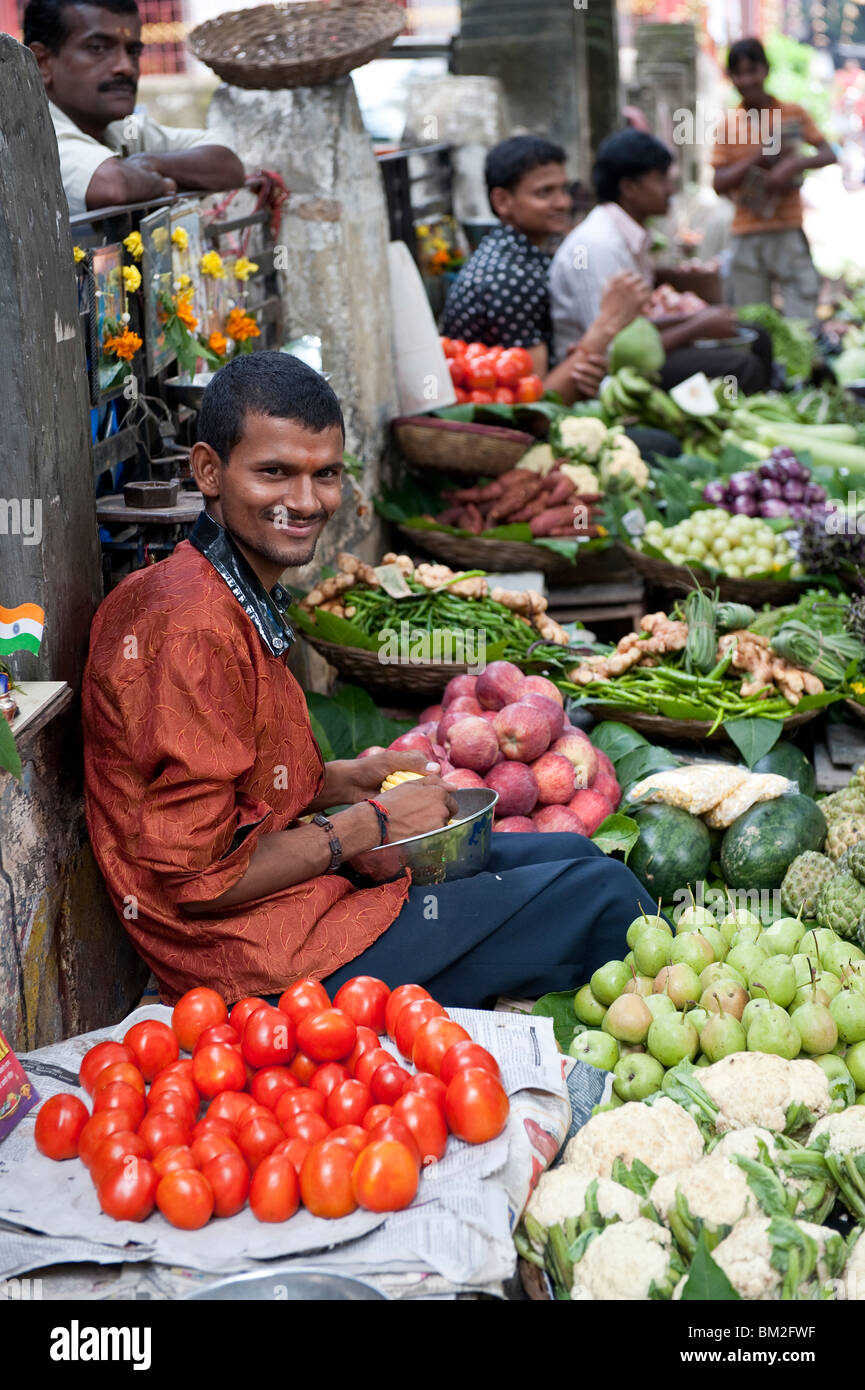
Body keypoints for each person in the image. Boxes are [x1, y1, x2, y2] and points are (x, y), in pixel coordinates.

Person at [82, 352, 662, 1008]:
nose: (303, 502)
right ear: (208, 470)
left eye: (323, 475)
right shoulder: (188, 627)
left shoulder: (221, 585)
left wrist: (341, 781)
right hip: (253, 955)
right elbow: (198, 879)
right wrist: (369, 822)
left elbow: (230, 790)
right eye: (274, 473)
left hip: (296, 896)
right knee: (603, 901)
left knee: (582, 861)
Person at [550, 129, 772, 394]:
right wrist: (696, 326)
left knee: (756, 335)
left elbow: (635, 326)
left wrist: (700, 318)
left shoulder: (629, 235)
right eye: (660, 179)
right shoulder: (597, 244)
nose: (669, 189)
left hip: (632, 346)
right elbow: (613, 348)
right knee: (741, 366)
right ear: (629, 188)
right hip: (603, 374)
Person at [441, 134, 650, 407]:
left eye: (563, 189)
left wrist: (578, 361)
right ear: (503, 201)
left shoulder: (522, 254)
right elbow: (535, 407)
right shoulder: (509, 276)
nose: (562, 202)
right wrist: (605, 327)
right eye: (544, 192)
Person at [25, 0, 244, 218]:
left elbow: (228, 163)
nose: (126, 67)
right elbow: (113, 185)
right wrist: (165, 184)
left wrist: (151, 163)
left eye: (133, 51)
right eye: (98, 48)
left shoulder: (121, 127)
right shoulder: (23, 130)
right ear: (41, 63)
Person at [711, 37, 835, 319]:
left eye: (752, 71)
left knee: (801, 315)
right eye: (738, 73)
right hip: (746, 232)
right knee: (754, 320)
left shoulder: (793, 113)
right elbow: (718, 183)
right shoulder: (728, 124)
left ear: (765, 70)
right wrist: (758, 159)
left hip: (787, 228)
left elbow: (829, 153)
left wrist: (791, 166)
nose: (746, 80)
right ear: (730, 77)